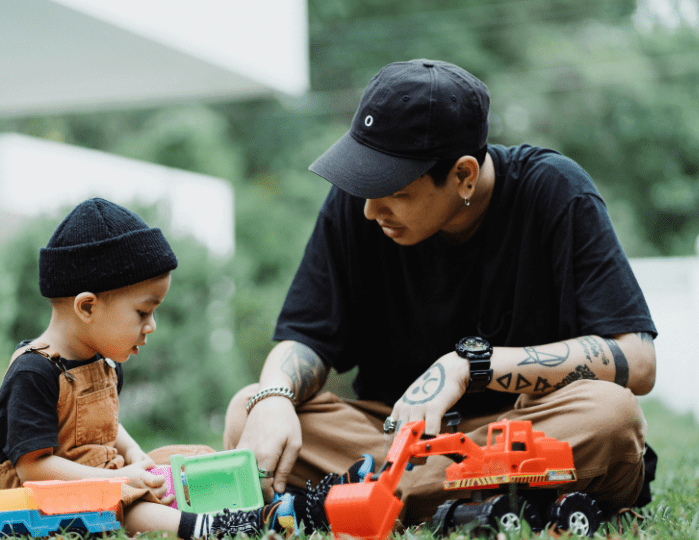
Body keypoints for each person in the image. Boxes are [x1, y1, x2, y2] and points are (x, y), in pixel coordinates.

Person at [224, 59, 657, 526]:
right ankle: (481, 504)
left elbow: (637, 360)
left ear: (464, 176)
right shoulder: (359, 205)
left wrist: (469, 367)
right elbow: (306, 337)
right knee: (246, 409)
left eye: (393, 190)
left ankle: (367, 500)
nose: (370, 210)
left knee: (611, 416)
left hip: (516, 431)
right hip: (390, 436)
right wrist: (273, 397)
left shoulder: (555, 190)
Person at [0, 198, 350, 538]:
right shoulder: (35, 373)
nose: (151, 326)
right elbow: (34, 469)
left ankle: (285, 507)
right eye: (143, 312)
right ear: (87, 307)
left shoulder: (101, 363)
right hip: (42, 497)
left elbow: (105, 425)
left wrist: (137, 459)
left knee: (189, 463)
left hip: (104, 476)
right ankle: (206, 527)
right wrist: (122, 478)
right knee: (131, 499)